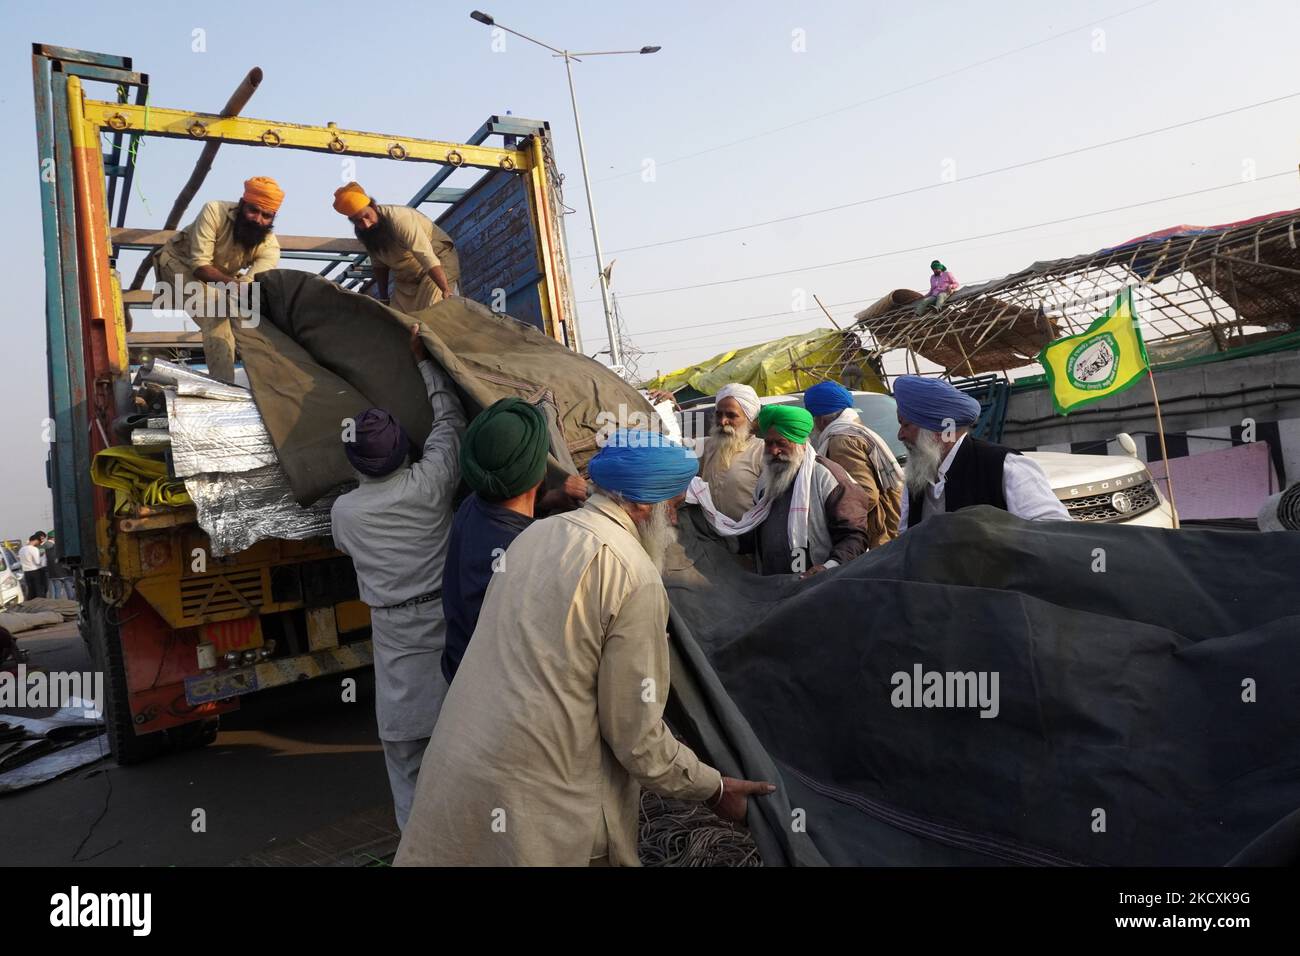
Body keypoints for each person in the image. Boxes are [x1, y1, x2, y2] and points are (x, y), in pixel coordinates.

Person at [395, 429, 776, 866]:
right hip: (540, 803)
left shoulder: (536, 534)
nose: (674, 521)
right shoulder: (633, 575)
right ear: (643, 504)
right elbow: (637, 738)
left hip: (459, 771)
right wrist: (713, 788)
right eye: (672, 506)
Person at [330, 324, 466, 830]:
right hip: (447, 622)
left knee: (407, 761)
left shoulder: (344, 514)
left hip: (394, 637)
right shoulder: (431, 482)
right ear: (404, 447)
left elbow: (348, 548)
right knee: (463, 745)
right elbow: (451, 420)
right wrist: (426, 364)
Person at [441, 397, 587, 684]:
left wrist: (546, 500)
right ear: (541, 470)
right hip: (502, 696)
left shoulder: (473, 505)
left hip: (463, 675)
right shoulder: (530, 550)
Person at [689, 405, 873, 577]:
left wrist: (829, 567)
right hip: (776, 586)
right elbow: (755, 532)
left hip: (820, 585)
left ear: (800, 443)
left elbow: (854, 536)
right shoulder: (766, 481)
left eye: (781, 443)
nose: (774, 450)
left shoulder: (828, 478)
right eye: (769, 443)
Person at [151, 177, 284, 383]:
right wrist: (235, 288)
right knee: (216, 317)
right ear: (241, 204)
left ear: (273, 217)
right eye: (253, 210)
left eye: (266, 215)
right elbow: (200, 266)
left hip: (222, 279)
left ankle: (266, 387)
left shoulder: (270, 247)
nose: (258, 219)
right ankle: (225, 389)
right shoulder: (214, 210)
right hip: (180, 263)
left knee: (251, 319)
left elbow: (249, 287)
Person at [893, 375, 1069, 529]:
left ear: (939, 429)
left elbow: (1055, 532)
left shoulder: (1005, 466)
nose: (901, 435)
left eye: (906, 424)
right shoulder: (917, 478)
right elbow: (906, 540)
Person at [333, 182, 460, 313]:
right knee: (400, 322)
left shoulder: (401, 218)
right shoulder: (364, 233)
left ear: (374, 207)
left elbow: (426, 256)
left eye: (367, 216)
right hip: (406, 280)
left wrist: (445, 290)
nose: (366, 224)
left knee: (435, 312)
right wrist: (384, 299)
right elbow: (379, 265)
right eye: (358, 221)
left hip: (436, 268)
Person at [803, 381, 903, 547]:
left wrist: (826, 516)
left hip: (873, 539)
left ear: (819, 419)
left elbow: (866, 494)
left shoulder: (841, 440)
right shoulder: (855, 430)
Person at [697, 383, 765, 520]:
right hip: (711, 536)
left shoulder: (762, 451)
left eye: (731, 415)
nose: (722, 421)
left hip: (749, 536)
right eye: (719, 414)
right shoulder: (704, 446)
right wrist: (667, 405)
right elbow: (668, 442)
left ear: (750, 419)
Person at [18, 533, 48, 600]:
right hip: (36, 571)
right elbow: (38, 562)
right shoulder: (34, 549)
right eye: (39, 541)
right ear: (36, 540)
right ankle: (41, 605)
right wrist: (43, 557)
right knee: (39, 590)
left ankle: (31, 605)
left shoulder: (21, 550)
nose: (39, 543)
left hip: (26, 572)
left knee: (31, 591)